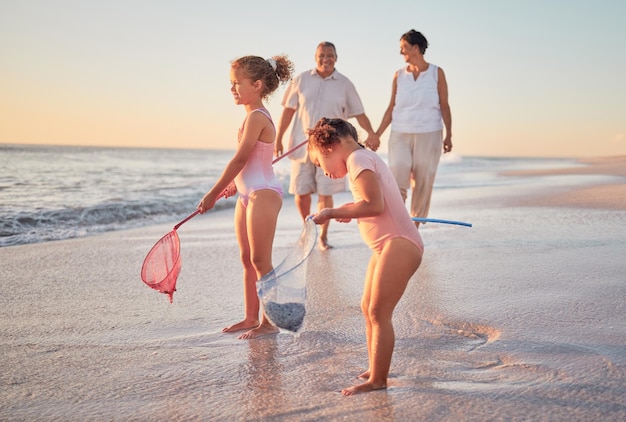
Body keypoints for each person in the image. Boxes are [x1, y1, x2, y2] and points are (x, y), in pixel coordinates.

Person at [308, 118, 423, 395]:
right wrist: (348, 209)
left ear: (329, 147)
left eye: (318, 164)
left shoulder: (358, 160)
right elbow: (369, 202)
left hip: (399, 243)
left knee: (378, 311)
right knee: (367, 307)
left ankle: (378, 380)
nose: (323, 172)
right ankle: (375, 368)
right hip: (386, 246)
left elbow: (374, 204)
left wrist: (333, 212)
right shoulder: (360, 159)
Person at [198, 55, 294, 340]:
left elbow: (240, 159)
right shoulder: (250, 118)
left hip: (263, 194)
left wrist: (213, 193)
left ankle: (269, 321)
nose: (232, 89)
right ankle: (251, 317)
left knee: (261, 259)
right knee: (246, 259)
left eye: (237, 83)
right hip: (247, 194)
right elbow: (250, 162)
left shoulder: (257, 117)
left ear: (257, 84)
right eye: (231, 83)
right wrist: (232, 187)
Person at [275, 41, 380, 250]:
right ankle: (308, 229)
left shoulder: (345, 84)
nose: (326, 59)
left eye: (330, 55)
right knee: (301, 192)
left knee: (325, 192)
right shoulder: (301, 79)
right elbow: (288, 110)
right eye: (322, 55)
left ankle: (322, 236)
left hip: (332, 150)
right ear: (316, 57)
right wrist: (278, 138)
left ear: (336, 58)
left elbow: (359, 113)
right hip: (302, 145)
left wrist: (372, 132)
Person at [375, 29, 452, 225]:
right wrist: (376, 134)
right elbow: (391, 107)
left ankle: (414, 227)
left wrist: (449, 135)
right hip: (400, 132)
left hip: (430, 132)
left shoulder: (437, 73)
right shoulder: (398, 76)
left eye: (404, 48)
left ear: (416, 48)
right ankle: (397, 224)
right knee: (398, 173)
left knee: (422, 181)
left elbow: (444, 105)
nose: (401, 53)